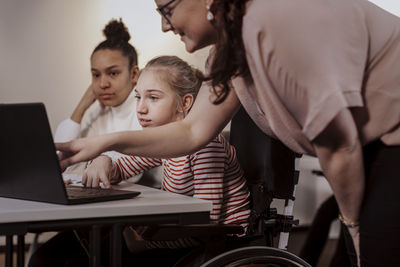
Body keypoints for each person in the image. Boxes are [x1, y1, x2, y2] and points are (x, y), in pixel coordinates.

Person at [56, 0, 400, 266]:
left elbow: (338, 146)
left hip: (389, 138)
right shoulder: (233, 47)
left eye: (167, 10)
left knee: (371, 249)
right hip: (369, 144)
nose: (164, 25)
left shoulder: (270, 25)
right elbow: (192, 129)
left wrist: (353, 226)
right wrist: (103, 144)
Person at [29, 55, 251, 267]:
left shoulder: (206, 145)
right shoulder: (165, 143)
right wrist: (103, 161)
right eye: (138, 96)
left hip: (219, 242)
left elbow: (207, 222)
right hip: (186, 234)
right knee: (80, 256)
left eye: (153, 98)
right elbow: (123, 165)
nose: (141, 108)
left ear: (184, 102)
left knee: (90, 258)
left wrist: (143, 242)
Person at [55, 18, 161, 188]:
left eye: (112, 73)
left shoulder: (146, 109)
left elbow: (131, 174)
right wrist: (82, 106)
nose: (103, 84)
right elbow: (61, 160)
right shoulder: (99, 113)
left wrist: (96, 162)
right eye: (96, 75)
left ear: (134, 74)